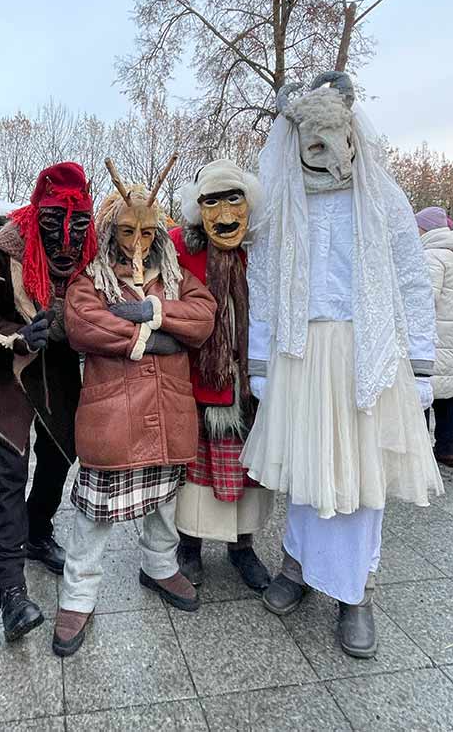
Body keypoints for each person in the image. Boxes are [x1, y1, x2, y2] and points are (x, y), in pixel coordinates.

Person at [240, 72, 443, 659]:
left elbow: (409, 278)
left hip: (367, 355)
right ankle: (297, 565)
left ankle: (358, 592)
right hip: (300, 356)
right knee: (305, 470)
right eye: (317, 145)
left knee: (360, 482)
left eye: (341, 141)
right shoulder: (281, 206)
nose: (333, 158)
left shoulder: (382, 197)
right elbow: (265, 285)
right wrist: (261, 361)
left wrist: (421, 367)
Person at [52, 162, 216, 657]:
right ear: (111, 229)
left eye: (148, 231)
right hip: (113, 419)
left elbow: (204, 316)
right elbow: (83, 324)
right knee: (94, 514)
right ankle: (77, 596)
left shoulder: (176, 276)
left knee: (165, 503)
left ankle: (160, 566)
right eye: (127, 230)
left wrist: (155, 313)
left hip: (167, 415)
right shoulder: (93, 278)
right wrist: (160, 340)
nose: (138, 242)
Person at [0, 162, 96, 643]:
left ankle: (37, 531)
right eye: (54, 226)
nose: (65, 242)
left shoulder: (92, 250)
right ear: (36, 215)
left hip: (60, 370)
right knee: (9, 472)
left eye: (77, 226)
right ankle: (11, 591)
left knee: (59, 459)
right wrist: (17, 336)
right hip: (8, 372)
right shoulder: (4, 250)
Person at [171, 160, 273, 591]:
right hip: (198, 379)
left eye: (234, 198)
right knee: (197, 469)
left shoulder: (263, 250)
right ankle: (189, 545)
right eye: (212, 200)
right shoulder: (179, 246)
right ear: (198, 208)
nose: (225, 211)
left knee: (248, 471)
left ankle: (242, 547)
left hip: (252, 381)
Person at [416, 206, 453, 466]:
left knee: (422, 391)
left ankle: (418, 451)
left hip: (434, 337)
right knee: (449, 394)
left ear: (426, 229)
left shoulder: (432, 256)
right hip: (452, 337)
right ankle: (448, 447)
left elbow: (425, 297)